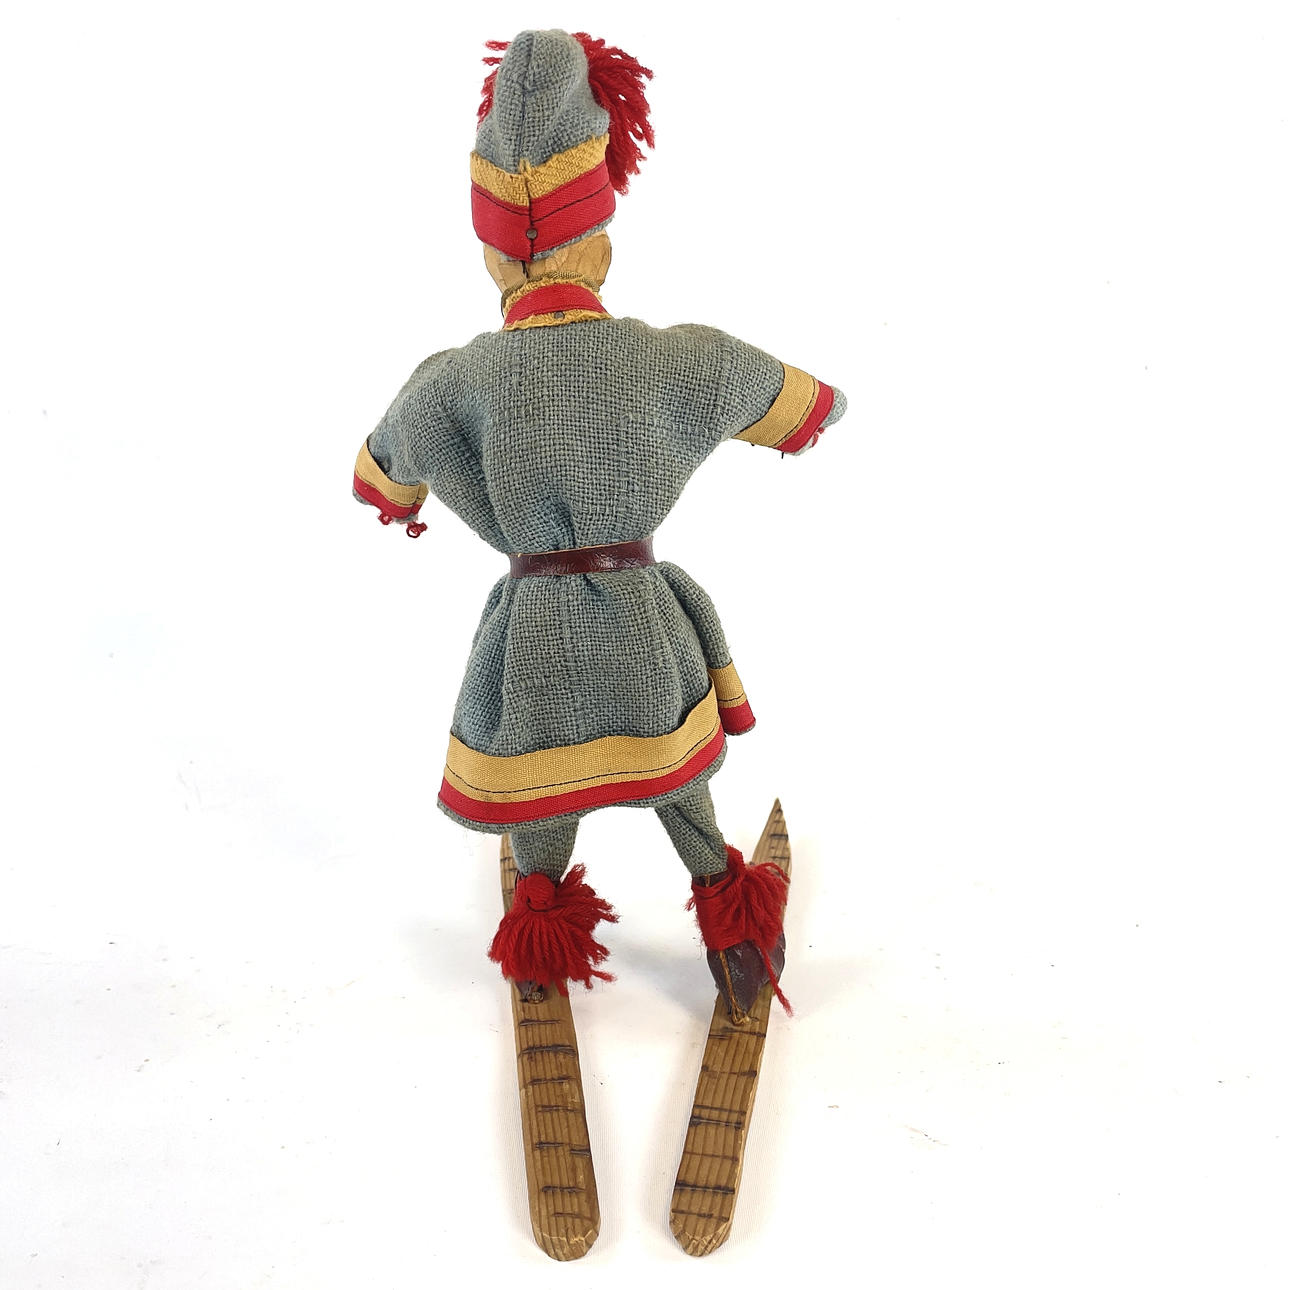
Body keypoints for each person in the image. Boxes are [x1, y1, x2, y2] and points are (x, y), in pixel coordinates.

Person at [352, 30, 846, 1018]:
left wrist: (407, 499)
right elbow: (805, 404)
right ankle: (735, 928)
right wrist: (800, 417)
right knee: (676, 784)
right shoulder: (677, 356)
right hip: (641, 624)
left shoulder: (450, 381)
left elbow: (382, 473)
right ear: (601, 243)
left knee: (544, 786)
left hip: (533, 635)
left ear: (494, 256)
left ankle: (540, 937)